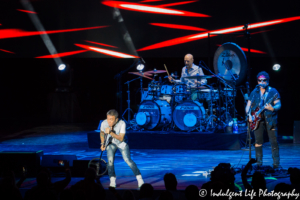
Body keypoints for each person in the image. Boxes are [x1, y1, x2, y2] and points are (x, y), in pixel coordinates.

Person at [245, 71, 281, 168]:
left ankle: (276, 164)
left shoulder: (273, 91)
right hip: (257, 121)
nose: (262, 82)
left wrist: (273, 108)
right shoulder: (254, 92)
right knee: (258, 142)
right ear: (257, 81)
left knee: (274, 142)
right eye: (260, 80)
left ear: (268, 81)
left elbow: (278, 104)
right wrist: (249, 115)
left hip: (270, 120)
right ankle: (259, 163)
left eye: (264, 80)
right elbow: (248, 106)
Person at [100, 109, 144, 188]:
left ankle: (139, 178)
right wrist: (102, 143)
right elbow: (102, 132)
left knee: (128, 160)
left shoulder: (122, 123)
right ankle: (112, 180)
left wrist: (110, 132)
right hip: (110, 143)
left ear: (116, 119)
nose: (109, 121)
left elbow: (120, 138)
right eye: (107, 119)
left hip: (122, 143)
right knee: (110, 161)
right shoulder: (104, 123)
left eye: (111, 119)